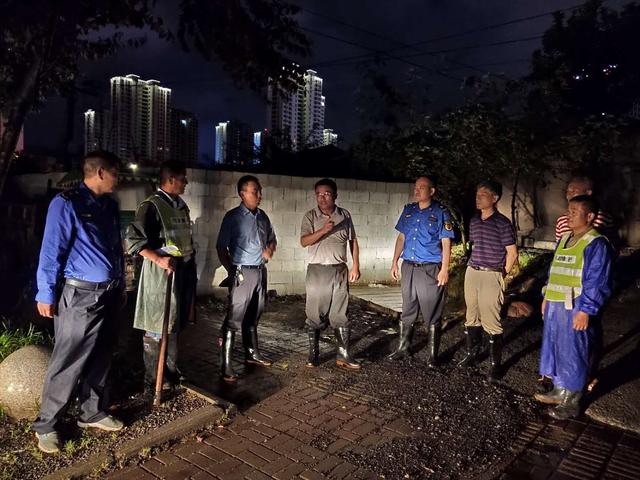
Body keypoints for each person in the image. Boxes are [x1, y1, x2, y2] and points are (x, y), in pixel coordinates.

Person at [33, 151, 125, 453]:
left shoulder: (109, 206)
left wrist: (121, 285)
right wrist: (45, 293)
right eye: (115, 172)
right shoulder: (67, 203)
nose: (119, 178)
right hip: (81, 296)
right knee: (68, 359)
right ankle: (47, 424)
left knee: (102, 354)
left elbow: (116, 250)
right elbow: (51, 250)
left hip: (109, 293)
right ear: (100, 173)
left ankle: (91, 412)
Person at [535, 195, 612, 420]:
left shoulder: (596, 244)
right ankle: (560, 390)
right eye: (568, 211)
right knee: (556, 348)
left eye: (574, 212)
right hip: (555, 305)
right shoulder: (565, 239)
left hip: (575, 306)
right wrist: (547, 296)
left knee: (574, 352)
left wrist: (586, 310)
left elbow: (597, 281)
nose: (569, 215)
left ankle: (573, 400)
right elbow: (554, 271)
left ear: (590, 216)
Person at [125, 161, 197, 395]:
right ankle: (153, 378)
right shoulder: (151, 206)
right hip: (160, 275)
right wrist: (158, 259)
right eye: (183, 178)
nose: (186, 182)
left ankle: (170, 372)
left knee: (174, 323)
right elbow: (133, 241)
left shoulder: (181, 206)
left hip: (181, 272)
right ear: (170, 180)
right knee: (157, 326)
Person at [388, 175, 454, 366]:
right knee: (408, 307)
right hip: (409, 266)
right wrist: (394, 261)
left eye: (421, 187)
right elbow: (401, 237)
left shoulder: (441, 212)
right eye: (415, 187)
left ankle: (433, 356)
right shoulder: (409, 210)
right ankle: (403, 348)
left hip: (429, 268)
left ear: (432, 191)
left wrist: (444, 269)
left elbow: (446, 242)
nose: (416, 190)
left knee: (431, 310)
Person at [216, 175, 277, 383]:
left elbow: (272, 239)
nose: (259, 195)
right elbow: (221, 247)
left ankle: (252, 353)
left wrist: (270, 248)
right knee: (235, 317)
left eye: (260, 191)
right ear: (242, 194)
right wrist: (231, 270)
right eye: (254, 191)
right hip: (242, 272)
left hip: (260, 271)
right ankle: (226, 364)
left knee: (255, 313)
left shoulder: (262, 216)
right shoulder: (232, 217)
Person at [457, 181, 518, 382]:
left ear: (495, 198)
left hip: (492, 273)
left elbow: (512, 253)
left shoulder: (502, 223)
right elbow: (475, 245)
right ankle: (472, 354)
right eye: (477, 194)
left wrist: (501, 274)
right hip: (473, 271)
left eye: (483, 194)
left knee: (491, 319)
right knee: (471, 315)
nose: (478, 197)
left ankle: (495, 365)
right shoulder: (474, 221)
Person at [300, 178, 361, 370]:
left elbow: (353, 241)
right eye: (318, 194)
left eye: (326, 194)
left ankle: (343, 355)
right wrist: (323, 230)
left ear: (335, 195)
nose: (322, 198)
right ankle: (313, 354)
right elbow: (304, 241)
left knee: (340, 312)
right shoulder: (310, 216)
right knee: (314, 313)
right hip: (318, 270)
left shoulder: (345, 215)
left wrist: (356, 265)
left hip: (340, 269)